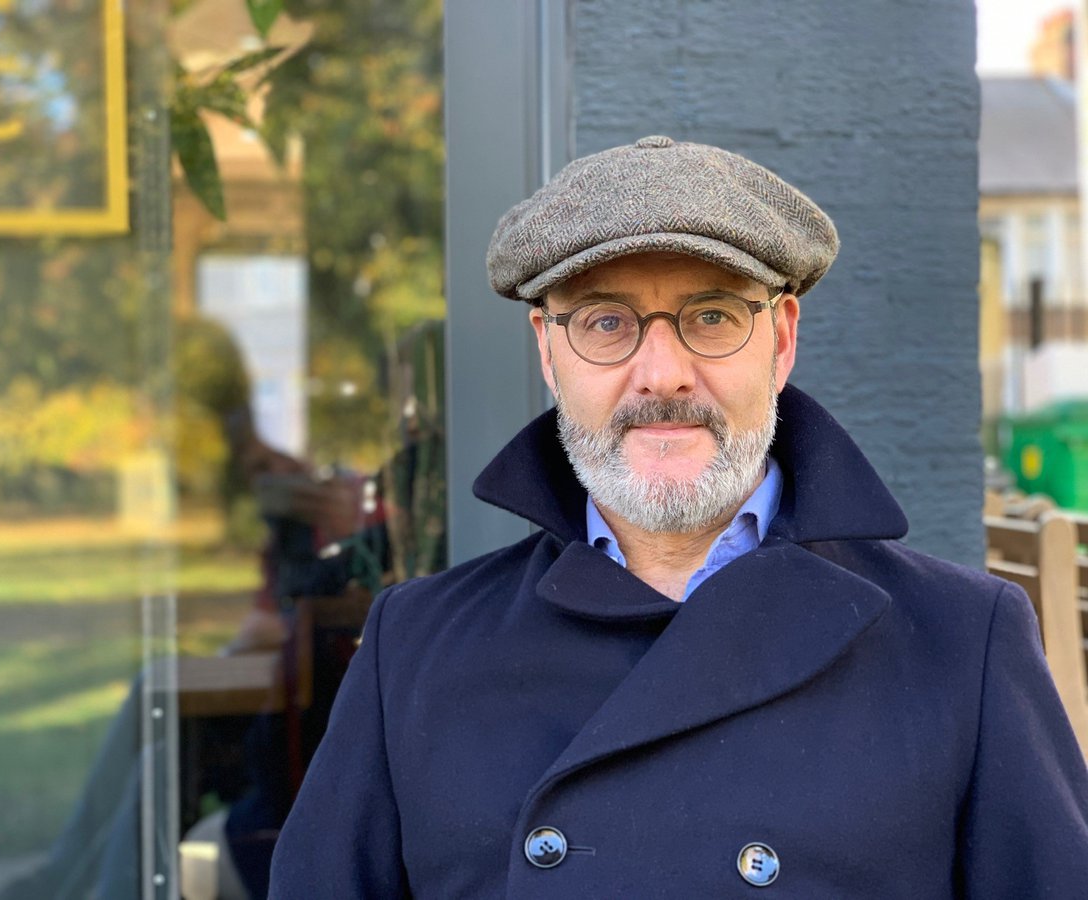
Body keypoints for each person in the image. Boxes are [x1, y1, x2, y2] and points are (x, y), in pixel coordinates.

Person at [269, 137, 1088, 897]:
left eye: (712, 316)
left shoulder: (962, 641)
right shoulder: (413, 647)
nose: (662, 374)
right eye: (604, 322)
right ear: (548, 353)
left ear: (783, 338)